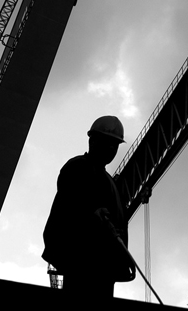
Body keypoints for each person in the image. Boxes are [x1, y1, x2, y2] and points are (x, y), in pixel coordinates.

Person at [42, 115, 135, 303]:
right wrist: (91, 216)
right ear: (93, 141)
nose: (112, 149)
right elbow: (69, 208)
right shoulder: (78, 167)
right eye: (108, 142)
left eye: (115, 145)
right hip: (83, 262)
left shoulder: (110, 183)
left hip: (105, 267)